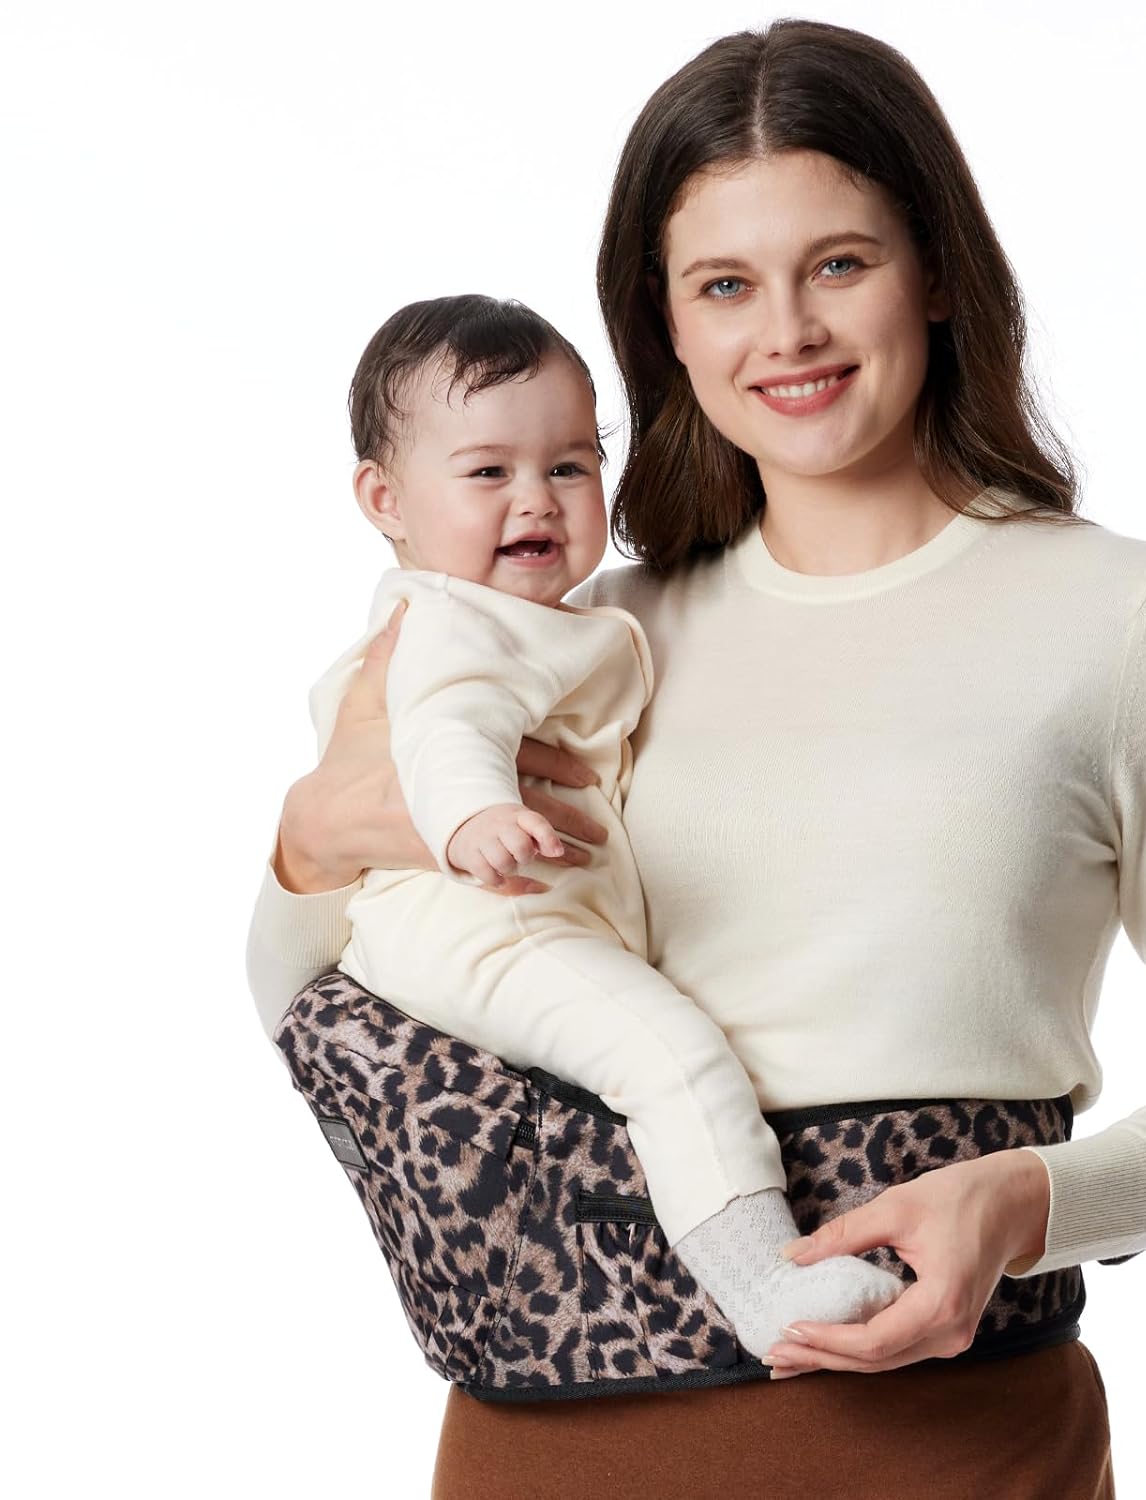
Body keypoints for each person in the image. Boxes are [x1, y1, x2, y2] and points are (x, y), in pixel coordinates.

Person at [245, 18, 1146, 1498]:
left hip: (949, 1457)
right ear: (667, 328)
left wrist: (1028, 1201)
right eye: (725, 285)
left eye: (840, 264)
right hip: (535, 1455)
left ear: (936, 271)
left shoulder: (1129, 622)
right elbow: (314, 996)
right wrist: (307, 846)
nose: (788, 333)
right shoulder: (582, 641)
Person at [299, 289, 905, 1358]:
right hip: (491, 927)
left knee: (617, 1082)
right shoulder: (453, 622)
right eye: (488, 473)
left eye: (570, 466)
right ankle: (764, 1281)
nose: (536, 500)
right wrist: (474, 816)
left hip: (508, 929)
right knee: (669, 1058)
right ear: (384, 498)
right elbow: (446, 725)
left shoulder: (552, 619)